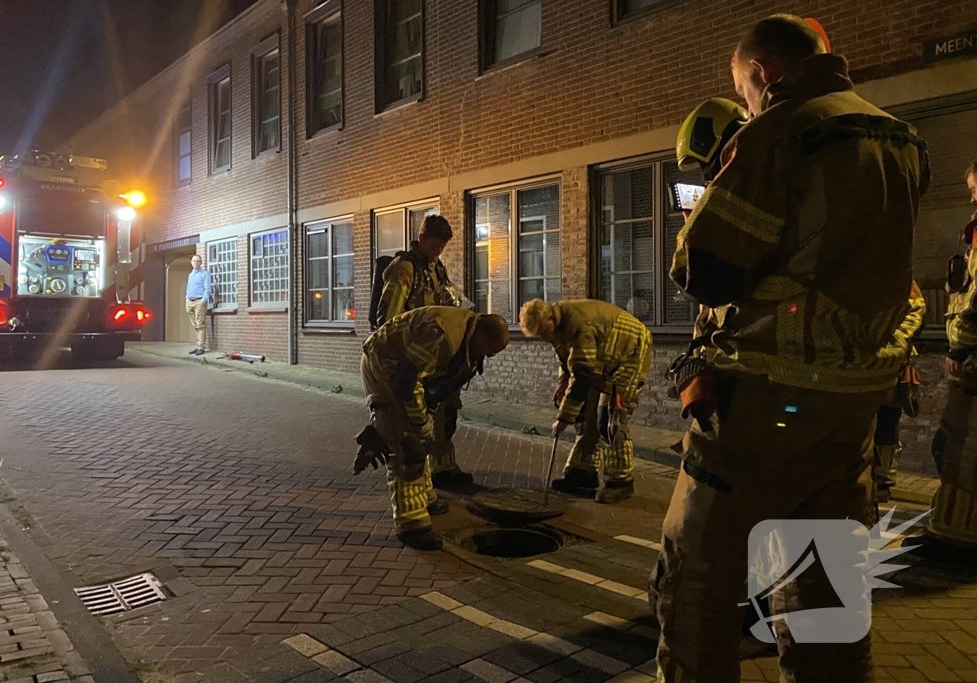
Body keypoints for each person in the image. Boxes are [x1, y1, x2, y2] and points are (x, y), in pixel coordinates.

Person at [656, 14, 929, 683]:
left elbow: (705, 269)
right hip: (851, 411)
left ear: (761, 73)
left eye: (746, 91)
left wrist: (707, 200)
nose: (749, 105)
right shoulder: (903, 137)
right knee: (824, 593)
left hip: (761, 406)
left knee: (695, 588)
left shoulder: (779, 132)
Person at [360, 306, 509, 550]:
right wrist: (420, 422)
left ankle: (425, 496)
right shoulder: (443, 336)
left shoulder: (467, 337)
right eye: (490, 352)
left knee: (424, 436)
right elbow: (406, 381)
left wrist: (428, 419)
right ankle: (411, 523)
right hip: (384, 366)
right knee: (407, 444)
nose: (488, 357)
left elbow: (437, 383)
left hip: (408, 374)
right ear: (482, 338)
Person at [904, 162, 977, 562]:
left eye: (973, 190)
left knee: (960, 451)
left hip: (971, 364)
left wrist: (960, 351)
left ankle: (957, 542)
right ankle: (948, 530)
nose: (970, 198)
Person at [519, 298, 652, 504]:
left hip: (628, 354)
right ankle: (582, 472)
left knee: (610, 420)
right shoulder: (556, 327)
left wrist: (563, 418)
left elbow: (582, 377)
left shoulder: (579, 326)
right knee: (584, 415)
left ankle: (620, 482)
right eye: (540, 335)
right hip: (602, 357)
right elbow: (568, 361)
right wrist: (564, 382)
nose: (545, 338)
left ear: (550, 318)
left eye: (545, 332)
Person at [375, 215, 473, 489]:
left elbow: (448, 299)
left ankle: (444, 467)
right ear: (422, 237)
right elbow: (390, 318)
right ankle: (419, 479)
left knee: (446, 410)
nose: (438, 251)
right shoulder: (404, 268)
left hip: (435, 354)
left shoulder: (436, 268)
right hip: (413, 356)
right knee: (417, 419)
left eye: (442, 246)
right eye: (435, 245)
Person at [874, 283, 926, 504]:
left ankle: (881, 481)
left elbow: (917, 309)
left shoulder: (895, 270)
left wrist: (895, 342)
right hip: (852, 364)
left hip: (889, 364)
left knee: (886, 424)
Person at [185, 254, 212, 356]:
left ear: (200, 263)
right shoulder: (190, 275)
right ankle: (198, 345)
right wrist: (187, 299)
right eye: (194, 261)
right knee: (196, 325)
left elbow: (208, 288)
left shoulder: (204, 274)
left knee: (200, 324)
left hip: (199, 301)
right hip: (190, 302)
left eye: (198, 261)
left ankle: (201, 347)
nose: (196, 263)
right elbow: (188, 287)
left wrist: (203, 301)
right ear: (191, 262)